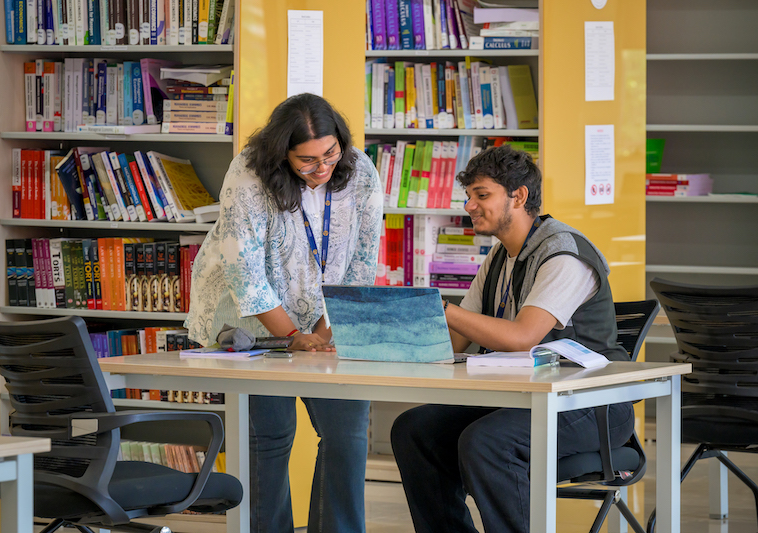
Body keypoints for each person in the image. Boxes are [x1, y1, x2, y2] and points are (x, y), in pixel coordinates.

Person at [390, 144, 634, 533]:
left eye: (482, 195)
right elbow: (454, 340)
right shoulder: (500, 256)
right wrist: (386, 332)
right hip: (523, 396)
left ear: (518, 196)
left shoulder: (564, 254)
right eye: (468, 196)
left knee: (486, 443)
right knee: (414, 430)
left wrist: (443, 309)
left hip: (592, 404)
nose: (470, 205)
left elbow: (522, 338)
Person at [185, 93, 383, 533]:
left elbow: (363, 260)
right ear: (282, 155)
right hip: (255, 321)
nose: (322, 168)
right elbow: (245, 270)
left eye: (329, 153)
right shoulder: (249, 175)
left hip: (324, 316)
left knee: (347, 434)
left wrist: (326, 332)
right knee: (269, 438)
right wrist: (294, 335)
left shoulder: (361, 170)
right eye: (307, 161)